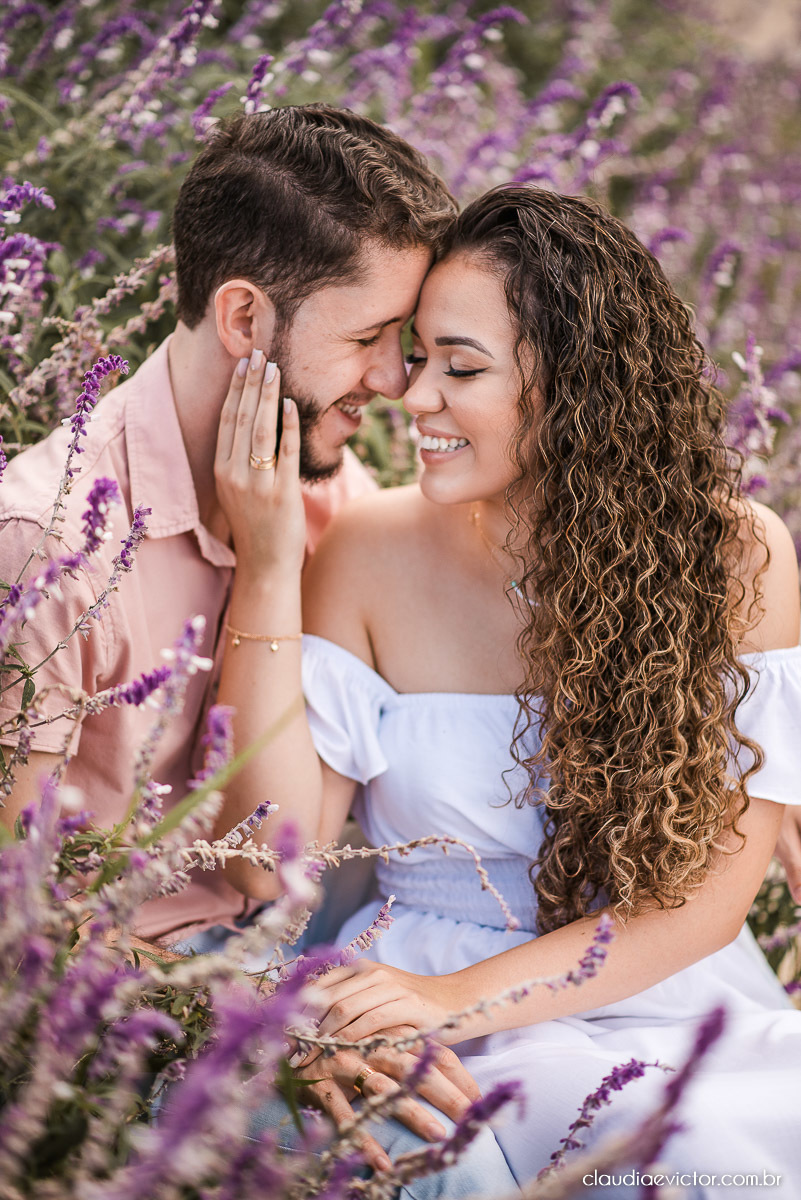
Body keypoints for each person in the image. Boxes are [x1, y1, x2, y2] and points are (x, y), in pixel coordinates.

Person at [212, 184, 801, 1194]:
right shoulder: (367, 549)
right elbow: (268, 865)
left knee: (689, 1151)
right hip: (409, 989)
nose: (415, 397)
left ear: (577, 386)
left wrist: (458, 999)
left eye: (462, 367)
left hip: (657, 990)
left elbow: (704, 905)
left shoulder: (736, 555)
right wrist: (269, 569)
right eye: (418, 358)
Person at [0, 104, 456, 947]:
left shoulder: (329, 485)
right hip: (127, 989)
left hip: (290, 942)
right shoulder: (46, 546)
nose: (395, 380)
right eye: (368, 336)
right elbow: (15, 919)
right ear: (243, 319)